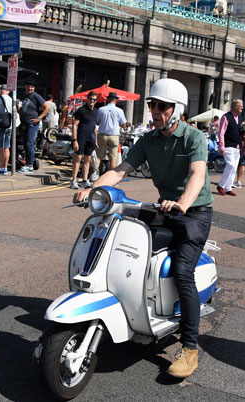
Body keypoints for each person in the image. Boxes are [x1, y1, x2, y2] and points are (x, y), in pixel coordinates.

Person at [73, 78, 213, 379]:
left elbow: (197, 175)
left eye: (162, 106)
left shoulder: (193, 138)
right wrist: (92, 189)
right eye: (152, 105)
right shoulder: (148, 140)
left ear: (176, 110)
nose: (155, 111)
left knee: (182, 271)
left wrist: (184, 203)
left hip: (194, 214)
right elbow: (120, 171)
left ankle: (190, 349)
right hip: (164, 209)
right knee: (125, 242)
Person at [19, 80, 49, 173]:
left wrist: (39, 118)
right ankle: (26, 163)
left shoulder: (36, 96)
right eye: (28, 86)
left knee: (29, 144)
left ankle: (29, 166)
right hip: (24, 124)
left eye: (32, 87)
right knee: (25, 144)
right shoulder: (23, 96)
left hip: (32, 124)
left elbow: (47, 107)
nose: (30, 88)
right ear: (25, 87)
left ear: (34, 88)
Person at [70, 91, 98, 189]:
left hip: (91, 139)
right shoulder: (81, 110)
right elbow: (74, 125)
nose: (92, 101)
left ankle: (85, 180)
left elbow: (94, 127)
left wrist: (96, 140)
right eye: (91, 99)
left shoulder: (96, 111)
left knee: (87, 160)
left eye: (94, 99)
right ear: (87, 99)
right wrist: (74, 140)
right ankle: (73, 180)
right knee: (78, 159)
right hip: (81, 138)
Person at [216, 99, 243, 196]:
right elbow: (221, 132)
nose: (242, 108)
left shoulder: (240, 117)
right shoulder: (226, 117)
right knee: (230, 165)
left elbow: (239, 131)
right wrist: (221, 146)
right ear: (235, 106)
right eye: (241, 106)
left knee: (234, 167)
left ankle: (228, 187)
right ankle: (221, 185)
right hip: (228, 145)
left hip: (237, 146)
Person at [96, 91, 128, 171]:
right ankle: (110, 178)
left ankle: (94, 175)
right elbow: (123, 124)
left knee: (98, 157)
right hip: (114, 136)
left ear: (108, 99)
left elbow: (97, 122)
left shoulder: (101, 109)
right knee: (113, 159)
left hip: (103, 135)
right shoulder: (119, 111)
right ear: (115, 100)